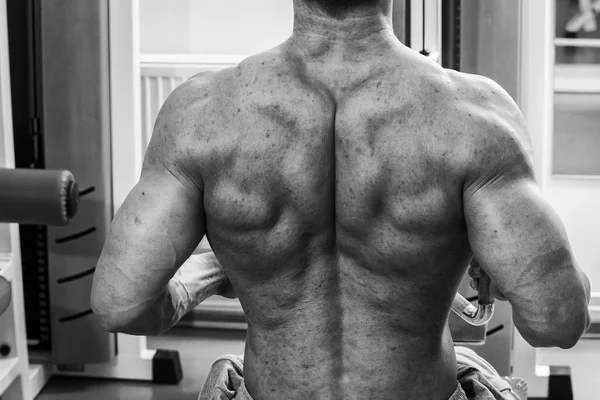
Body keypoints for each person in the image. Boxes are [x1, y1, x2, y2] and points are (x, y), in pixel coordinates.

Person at [90, 0, 592, 399]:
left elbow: (122, 305)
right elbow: (557, 320)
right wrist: (490, 265)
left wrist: (206, 273)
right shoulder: (476, 118)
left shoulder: (200, 114)